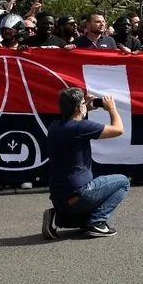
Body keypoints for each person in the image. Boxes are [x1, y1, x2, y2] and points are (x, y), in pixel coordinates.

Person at [42, 89, 129, 239]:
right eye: (83, 103)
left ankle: (57, 217)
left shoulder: (54, 127)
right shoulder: (81, 128)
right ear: (78, 107)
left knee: (83, 218)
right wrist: (111, 108)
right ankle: (97, 222)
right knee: (123, 182)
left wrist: (84, 107)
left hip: (59, 198)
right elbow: (118, 129)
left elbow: (74, 121)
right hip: (79, 194)